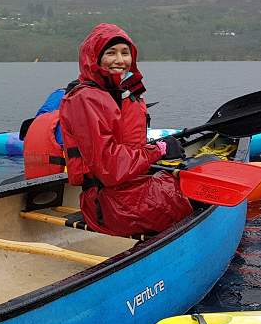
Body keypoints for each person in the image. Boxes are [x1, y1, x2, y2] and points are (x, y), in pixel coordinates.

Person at [57, 23, 193, 238]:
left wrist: (156, 148)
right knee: (199, 199)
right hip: (111, 206)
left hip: (131, 192)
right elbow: (110, 167)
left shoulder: (116, 93)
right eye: (111, 53)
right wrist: (158, 150)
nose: (120, 60)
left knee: (194, 181)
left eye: (125, 53)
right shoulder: (87, 99)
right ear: (94, 58)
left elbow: (126, 147)